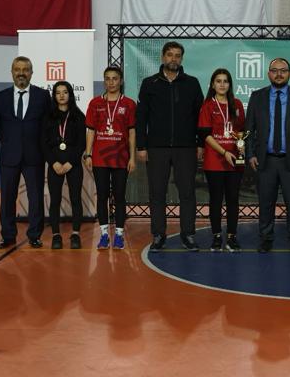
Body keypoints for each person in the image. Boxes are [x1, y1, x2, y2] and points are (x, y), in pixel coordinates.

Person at [136, 41, 204, 251]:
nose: (173, 59)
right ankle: (158, 235)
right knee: (157, 193)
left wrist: (200, 144)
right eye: (170, 55)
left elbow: (200, 117)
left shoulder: (192, 83)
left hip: (186, 148)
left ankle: (188, 235)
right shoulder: (149, 83)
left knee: (187, 193)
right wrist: (141, 146)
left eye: (177, 55)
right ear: (162, 57)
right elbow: (141, 117)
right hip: (157, 148)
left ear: (181, 59)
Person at [246, 58, 290, 254]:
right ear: (269, 74)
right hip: (265, 160)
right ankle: (266, 238)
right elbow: (249, 129)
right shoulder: (257, 96)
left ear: (289, 74)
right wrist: (250, 154)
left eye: (283, 70)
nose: (279, 74)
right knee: (265, 203)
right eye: (274, 70)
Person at [0, 56, 51, 249]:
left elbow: (47, 124)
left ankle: (34, 235)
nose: (21, 73)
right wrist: (11, 141)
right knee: (7, 198)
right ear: (12, 72)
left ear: (31, 73)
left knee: (35, 197)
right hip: (9, 155)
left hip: (34, 155)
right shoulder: (0, 97)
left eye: (25, 70)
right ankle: (8, 235)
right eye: (17, 69)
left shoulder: (43, 96)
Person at [85, 66, 137, 250]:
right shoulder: (95, 103)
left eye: (115, 78)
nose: (111, 82)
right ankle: (104, 234)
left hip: (121, 158)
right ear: (104, 81)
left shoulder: (129, 104)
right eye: (107, 78)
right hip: (100, 158)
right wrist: (88, 153)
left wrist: (132, 157)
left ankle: (119, 235)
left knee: (119, 196)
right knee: (102, 197)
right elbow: (91, 130)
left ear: (120, 81)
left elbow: (132, 132)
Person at [198, 68, 247, 252]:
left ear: (229, 84)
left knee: (233, 199)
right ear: (212, 84)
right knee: (216, 200)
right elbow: (205, 135)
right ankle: (217, 236)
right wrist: (224, 152)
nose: (222, 84)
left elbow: (242, 132)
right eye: (218, 81)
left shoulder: (237, 104)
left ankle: (232, 236)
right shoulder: (207, 106)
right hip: (215, 160)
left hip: (235, 160)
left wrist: (241, 147)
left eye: (225, 81)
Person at [41, 81, 87, 250]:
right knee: (55, 200)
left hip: (73, 164)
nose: (61, 95)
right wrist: (53, 162)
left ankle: (75, 234)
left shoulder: (78, 116)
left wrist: (70, 162)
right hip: (54, 164)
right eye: (58, 92)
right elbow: (43, 143)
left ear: (70, 95)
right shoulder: (47, 117)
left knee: (75, 199)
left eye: (65, 92)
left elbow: (81, 143)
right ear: (54, 95)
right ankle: (56, 235)